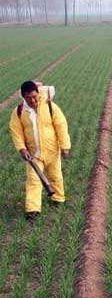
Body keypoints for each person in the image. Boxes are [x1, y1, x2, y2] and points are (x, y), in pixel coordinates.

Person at [9, 80, 70, 221]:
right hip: (33, 154)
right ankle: (33, 210)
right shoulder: (19, 112)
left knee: (55, 176)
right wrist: (21, 148)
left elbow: (61, 125)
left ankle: (58, 198)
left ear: (38, 93)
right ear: (23, 97)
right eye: (28, 97)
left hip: (52, 151)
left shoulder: (50, 106)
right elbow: (16, 131)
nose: (32, 100)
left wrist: (65, 146)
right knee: (34, 180)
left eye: (34, 96)